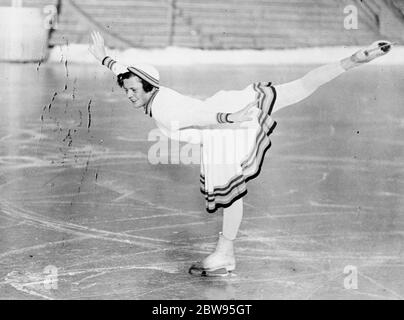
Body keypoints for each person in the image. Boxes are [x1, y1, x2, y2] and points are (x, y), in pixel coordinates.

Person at [89, 31, 393, 276]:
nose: (129, 95)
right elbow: (124, 72)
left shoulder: (164, 112)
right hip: (229, 106)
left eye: (133, 90)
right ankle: (353, 60)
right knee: (297, 88)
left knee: (230, 194)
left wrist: (228, 120)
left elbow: (201, 118)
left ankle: (225, 254)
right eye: (126, 90)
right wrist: (105, 58)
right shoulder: (151, 88)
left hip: (223, 127)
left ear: (148, 88)